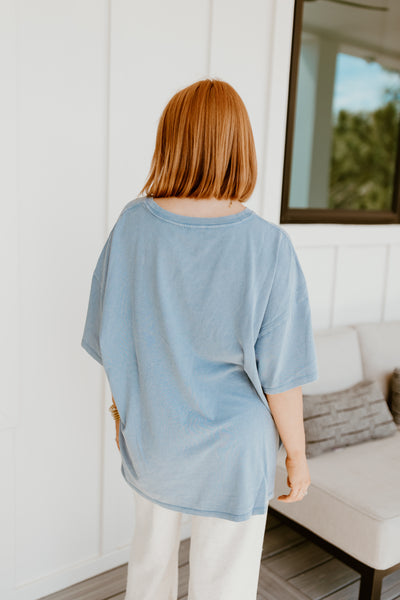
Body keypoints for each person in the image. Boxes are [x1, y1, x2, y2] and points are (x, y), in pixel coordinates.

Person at [81, 78, 319, 600]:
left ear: (171, 140)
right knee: (225, 586)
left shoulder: (132, 226)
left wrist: (123, 416)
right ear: (240, 145)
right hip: (236, 448)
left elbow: (113, 337)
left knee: (148, 571)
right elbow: (282, 373)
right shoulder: (268, 246)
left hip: (155, 436)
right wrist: (297, 456)